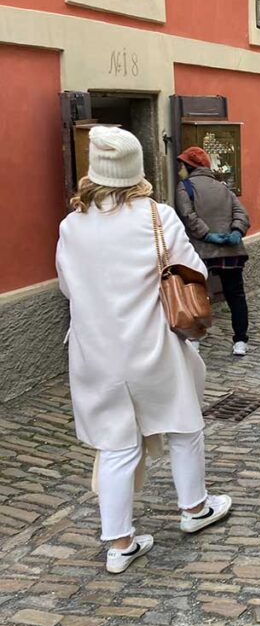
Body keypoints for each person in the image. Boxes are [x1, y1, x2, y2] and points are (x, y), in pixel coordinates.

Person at [55, 127, 232, 575]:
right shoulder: (157, 216)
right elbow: (190, 272)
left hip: (95, 350)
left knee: (116, 444)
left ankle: (120, 544)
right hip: (151, 342)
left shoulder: (72, 226)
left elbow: (66, 286)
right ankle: (194, 508)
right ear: (137, 171)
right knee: (183, 423)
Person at [175, 147, 251, 356]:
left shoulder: (184, 187)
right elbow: (241, 212)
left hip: (201, 250)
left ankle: (195, 338)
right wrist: (236, 231)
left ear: (189, 167)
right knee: (236, 295)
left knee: (197, 295)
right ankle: (240, 341)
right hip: (230, 251)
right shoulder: (222, 186)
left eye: (182, 165)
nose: (180, 169)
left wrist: (207, 235)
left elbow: (188, 216)